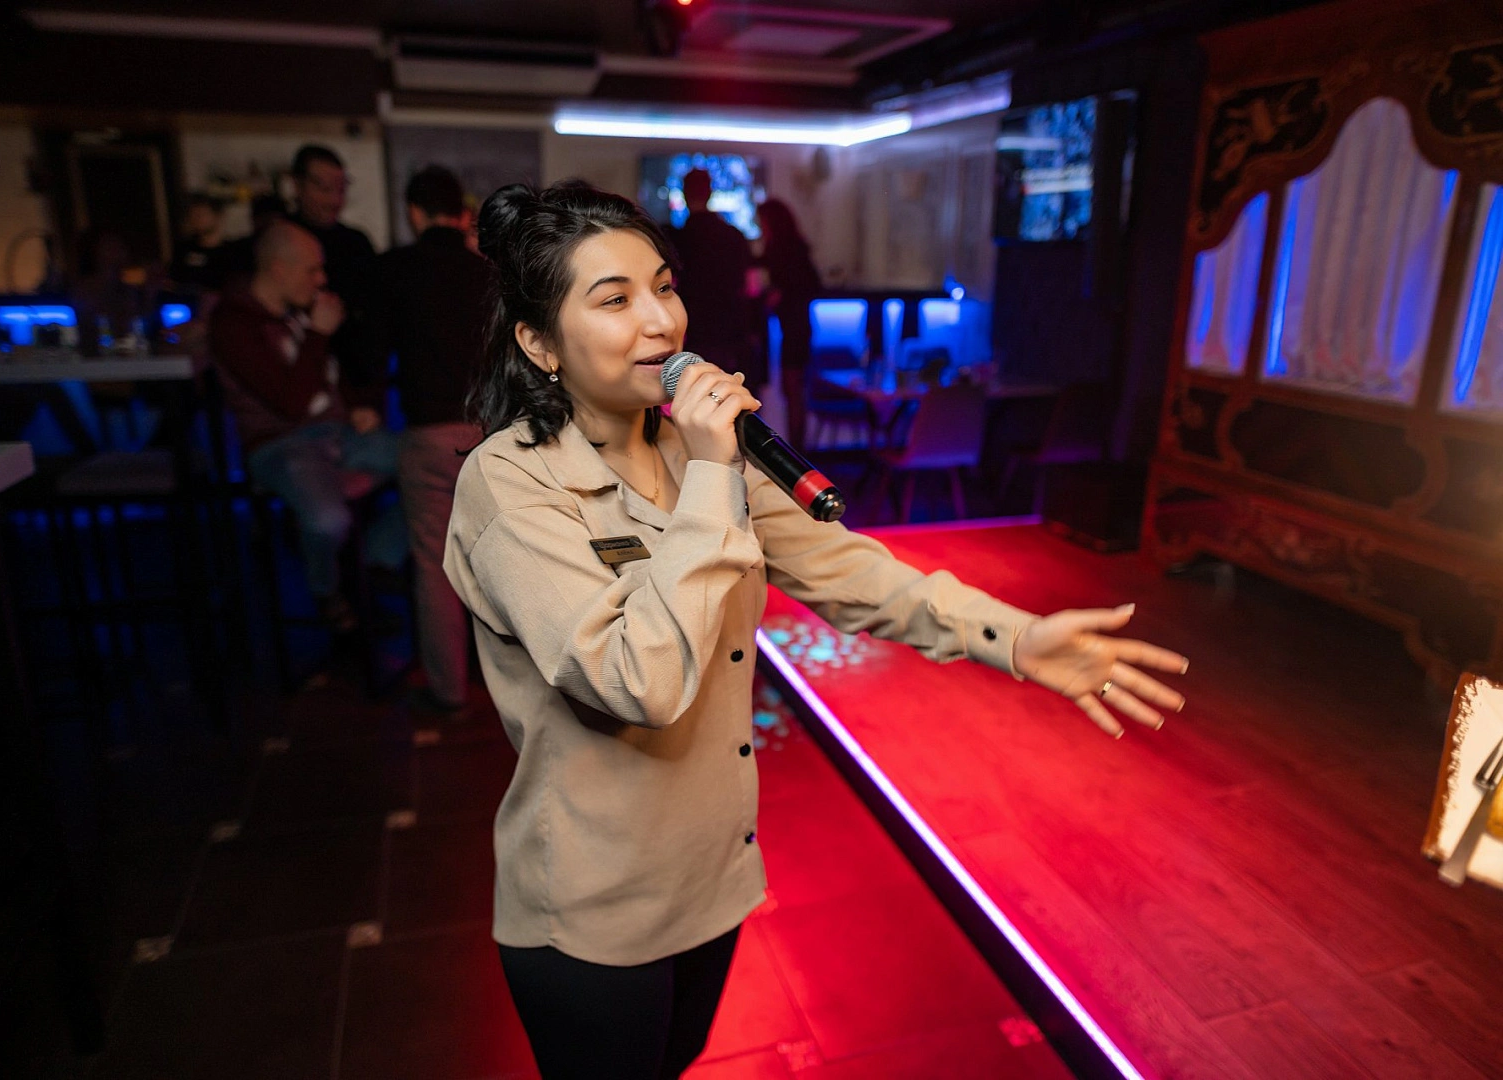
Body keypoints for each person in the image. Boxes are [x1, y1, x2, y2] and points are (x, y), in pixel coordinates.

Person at [442, 180, 1190, 1080]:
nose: (662, 322)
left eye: (665, 287)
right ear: (539, 343)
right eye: (615, 300)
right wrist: (714, 475)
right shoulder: (511, 483)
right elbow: (636, 680)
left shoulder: (694, 450)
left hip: (710, 880)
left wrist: (1018, 639)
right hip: (594, 908)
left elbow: (847, 570)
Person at [209, 221, 403, 632]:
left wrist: (357, 408)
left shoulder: (297, 312)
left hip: (338, 435)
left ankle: (375, 559)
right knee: (328, 520)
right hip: (281, 445)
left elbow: (330, 376)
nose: (321, 279)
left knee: (439, 464)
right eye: (312, 270)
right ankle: (327, 592)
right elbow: (290, 403)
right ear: (279, 269)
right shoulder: (234, 324)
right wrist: (318, 333)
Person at [371, 165, 495, 711]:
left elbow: (370, 353)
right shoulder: (486, 275)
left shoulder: (395, 270)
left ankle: (448, 689)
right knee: (498, 559)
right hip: (490, 434)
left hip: (428, 432)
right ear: (462, 214)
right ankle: (504, 681)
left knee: (435, 564)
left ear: (414, 213)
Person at [289, 144, 380, 394]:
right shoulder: (282, 240)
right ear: (297, 185)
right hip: (300, 382)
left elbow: (373, 320)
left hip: (354, 382)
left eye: (340, 189)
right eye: (324, 188)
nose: (334, 200)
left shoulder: (356, 244)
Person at [671, 169, 760, 386]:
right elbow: (752, 288)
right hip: (731, 331)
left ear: (684, 194)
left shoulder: (676, 239)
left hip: (692, 332)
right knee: (732, 397)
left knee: (694, 394)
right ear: (710, 192)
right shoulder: (734, 236)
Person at [756, 199, 822, 449]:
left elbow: (809, 285)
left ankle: (797, 452)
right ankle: (797, 451)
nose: (760, 227)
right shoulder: (791, 247)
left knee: (792, 391)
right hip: (797, 327)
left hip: (795, 328)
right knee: (793, 392)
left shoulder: (782, 249)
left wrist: (780, 294)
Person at [168, 193, 234, 293]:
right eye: (192, 215)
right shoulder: (183, 248)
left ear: (217, 216)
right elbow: (173, 280)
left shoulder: (231, 252)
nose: (196, 219)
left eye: (201, 214)